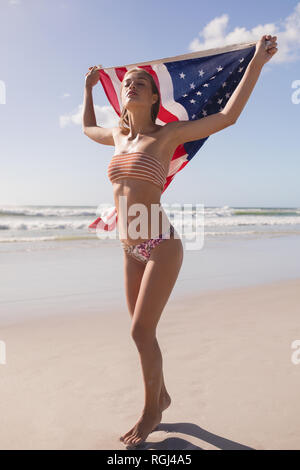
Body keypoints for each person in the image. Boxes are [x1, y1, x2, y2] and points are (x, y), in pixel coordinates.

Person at [82, 34, 278, 447]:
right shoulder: (118, 138)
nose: (130, 85)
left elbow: (227, 117)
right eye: (126, 83)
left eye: (140, 82)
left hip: (160, 244)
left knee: (139, 332)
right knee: (142, 334)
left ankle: (152, 410)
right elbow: (86, 128)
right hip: (128, 249)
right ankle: (163, 395)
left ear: (154, 96)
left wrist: (257, 62)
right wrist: (87, 90)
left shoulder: (167, 135)